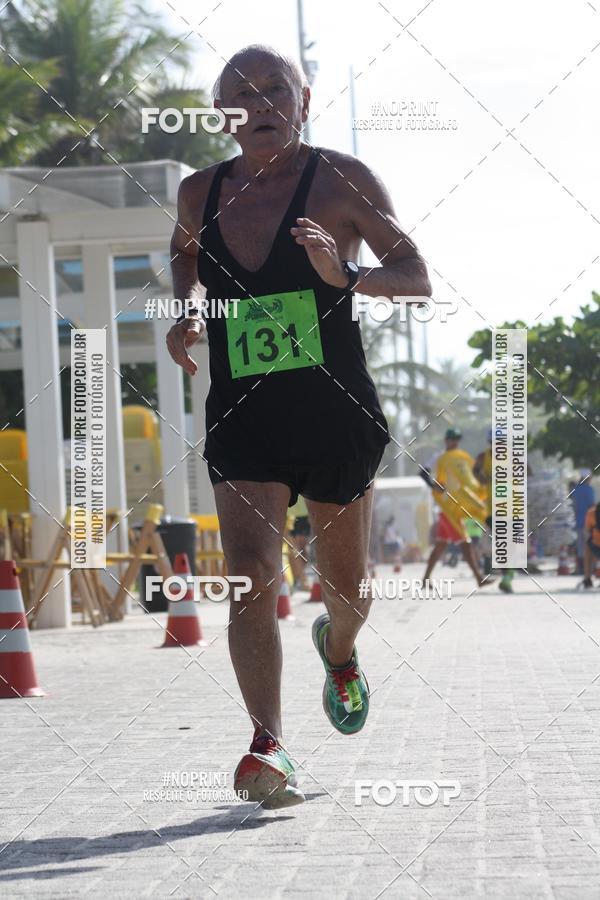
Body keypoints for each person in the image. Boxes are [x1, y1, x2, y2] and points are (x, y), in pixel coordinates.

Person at [166, 44, 431, 808]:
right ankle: (269, 744)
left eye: (274, 89)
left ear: (304, 98)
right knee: (250, 579)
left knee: (344, 589)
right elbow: (185, 255)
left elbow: (416, 275)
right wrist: (189, 308)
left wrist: (342, 276)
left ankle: (339, 652)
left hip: (335, 412)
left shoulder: (342, 180)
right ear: (222, 115)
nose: (259, 106)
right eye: (240, 96)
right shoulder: (197, 194)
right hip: (245, 413)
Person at [422, 429, 491, 587]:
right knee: (465, 543)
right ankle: (479, 578)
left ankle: (425, 579)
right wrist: (434, 485)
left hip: (457, 506)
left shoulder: (461, 457)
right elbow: (423, 473)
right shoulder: (439, 457)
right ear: (446, 440)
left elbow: (473, 473)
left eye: (457, 440)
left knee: (440, 546)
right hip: (447, 508)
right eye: (452, 439)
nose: (454, 442)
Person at [474, 428, 513, 592]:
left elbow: (527, 470)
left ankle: (508, 577)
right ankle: (507, 577)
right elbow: (475, 471)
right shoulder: (483, 457)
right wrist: (482, 478)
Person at [572, 470, 595, 575]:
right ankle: (590, 570)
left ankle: (580, 569)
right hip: (588, 523)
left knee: (580, 546)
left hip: (578, 522)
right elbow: (592, 506)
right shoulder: (589, 490)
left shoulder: (575, 490)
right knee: (590, 546)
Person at [288, 495, 311, 590]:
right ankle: (302, 579)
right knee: (293, 548)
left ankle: (299, 576)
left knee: (302, 549)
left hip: (304, 513)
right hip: (288, 514)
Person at [578, 502, 600, 590]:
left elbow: (587, 531)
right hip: (596, 543)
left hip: (596, 543)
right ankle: (588, 579)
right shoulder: (591, 512)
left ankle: (587, 579)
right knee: (588, 548)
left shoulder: (591, 513)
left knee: (588, 550)